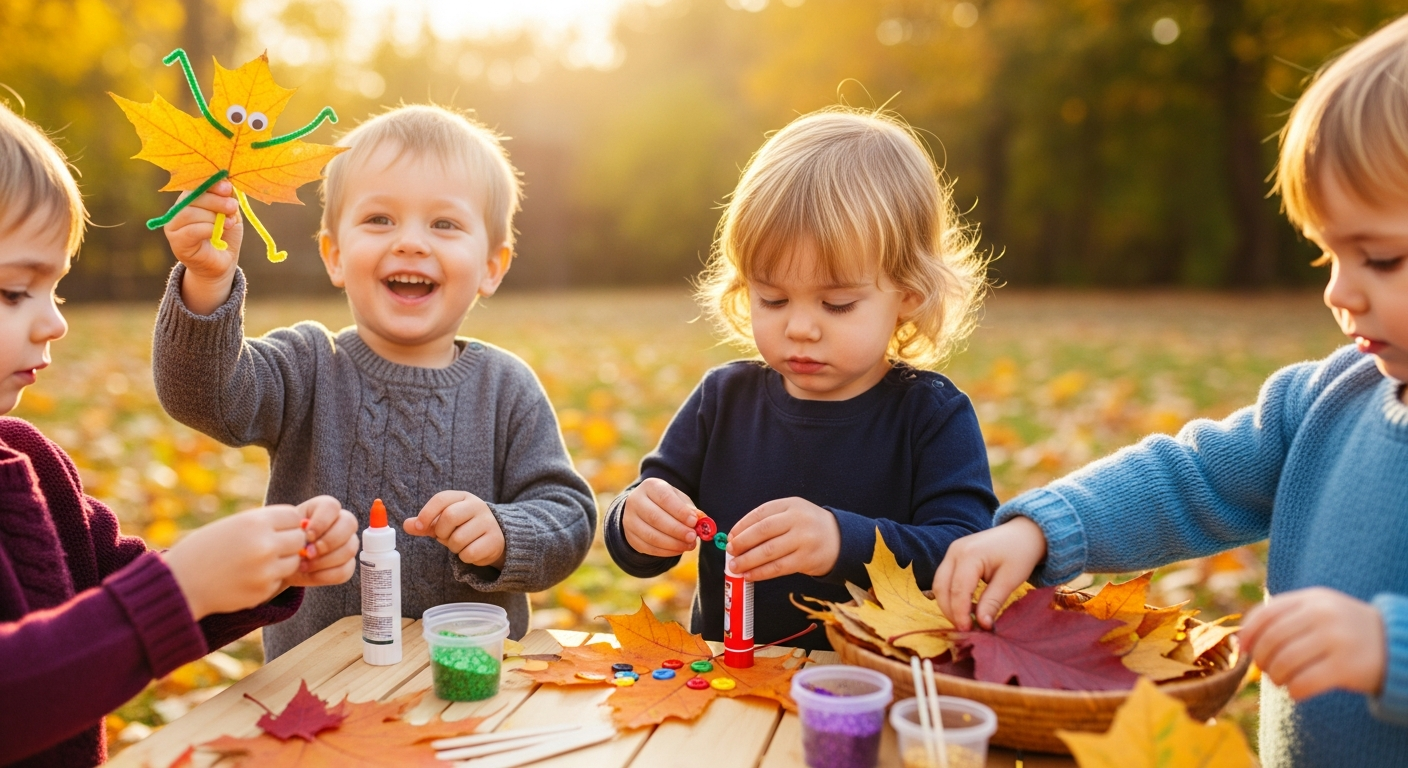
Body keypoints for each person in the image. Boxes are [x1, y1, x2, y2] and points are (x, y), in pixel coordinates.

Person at [932, 17, 1408, 766]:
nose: (1340, 292)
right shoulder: (1327, 403)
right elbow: (1191, 477)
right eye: (1327, 257)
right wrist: (1041, 530)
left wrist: (1391, 648)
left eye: (1380, 258)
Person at [151, 104, 596, 660]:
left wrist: (508, 532)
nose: (410, 242)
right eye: (380, 220)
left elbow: (567, 513)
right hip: (318, 685)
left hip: (464, 681)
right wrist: (207, 284)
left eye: (445, 224)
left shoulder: (506, 389)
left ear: (491, 265)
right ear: (335, 255)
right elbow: (204, 396)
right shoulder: (309, 364)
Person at [0, 101, 360, 767]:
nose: (54, 323)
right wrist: (180, 587)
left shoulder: (31, 463)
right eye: (14, 292)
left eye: (58, 291)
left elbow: (115, 603)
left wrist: (268, 568)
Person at [604, 108, 997, 651]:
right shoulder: (723, 401)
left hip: (876, 685)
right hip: (733, 686)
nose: (800, 327)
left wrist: (843, 541)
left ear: (908, 294)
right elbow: (642, 532)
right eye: (773, 298)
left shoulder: (930, 416)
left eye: (837, 304)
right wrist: (636, 521)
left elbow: (966, 553)